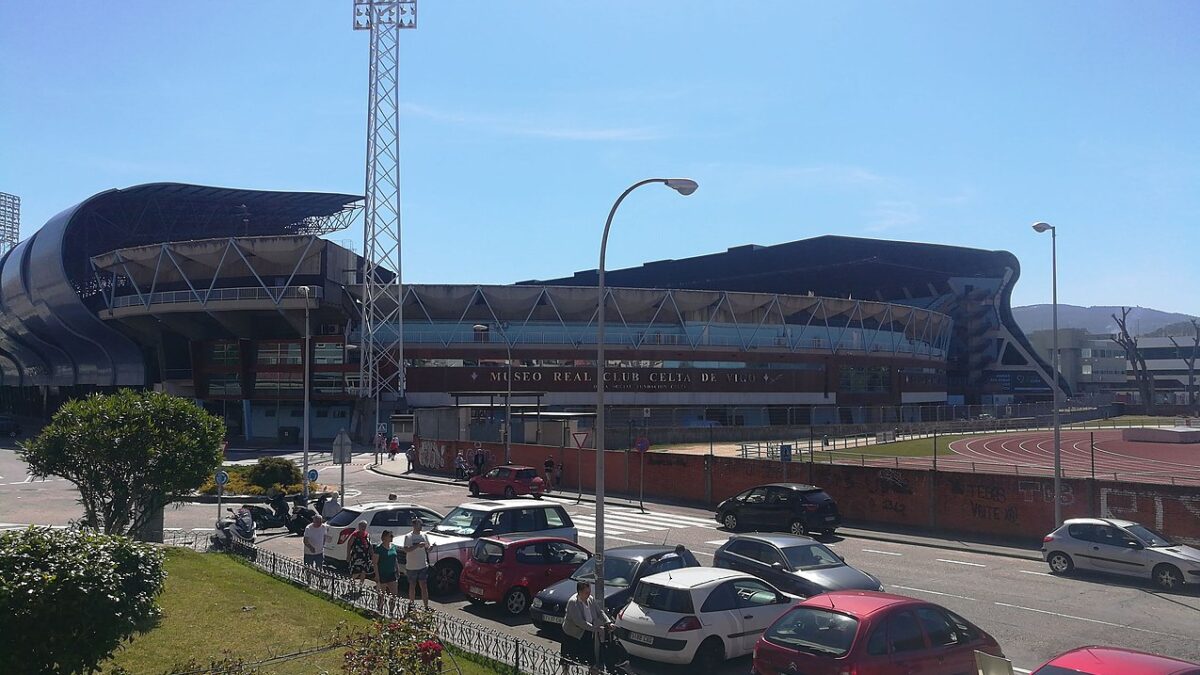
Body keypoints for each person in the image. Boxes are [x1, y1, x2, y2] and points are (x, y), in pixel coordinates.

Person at [562, 581, 616, 671]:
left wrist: (608, 622)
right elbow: (579, 622)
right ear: (579, 592)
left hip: (587, 631)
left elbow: (599, 612)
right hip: (572, 633)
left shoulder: (590, 599)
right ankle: (565, 672)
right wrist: (595, 629)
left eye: (589, 592)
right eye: (586, 592)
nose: (588, 594)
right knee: (567, 658)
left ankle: (592, 670)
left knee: (591, 659)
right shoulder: (573, 602)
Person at [402, 517, 431, 610]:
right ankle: (411, 604)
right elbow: (406, 549)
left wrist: (431, 547)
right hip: (412, 566)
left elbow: (428, 548)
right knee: (412, 585)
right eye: (419, 525)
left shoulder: (424, 535)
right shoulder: (409, 536)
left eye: (421, 525)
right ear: (414, 526)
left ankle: (426, 606)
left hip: (423, 565)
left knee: (424, 585)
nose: (420, 527)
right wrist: (417, 545)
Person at [372, 529, 401, 612]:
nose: (392, 537)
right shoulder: (379, 548)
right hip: (382, 574)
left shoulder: (393, 547)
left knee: (394, 594)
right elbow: (375, 563)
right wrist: (377, 575)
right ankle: (379, 609)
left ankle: (391, 611)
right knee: (381, 594)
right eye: (390, 536)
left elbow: (395, 559)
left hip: (392, 574)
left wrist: (397, 569)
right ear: (385, 537)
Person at [346, 520, 375, 594]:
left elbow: (370, 545)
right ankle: (351, 583)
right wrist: (348, 555)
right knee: (356, 572)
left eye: (364, 526)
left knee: (363, 572)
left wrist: (372, 555)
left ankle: (361, 586)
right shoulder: (355, 535)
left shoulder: (367, 535)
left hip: (365, 557)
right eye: (362, 526)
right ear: (359, 527)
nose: (363, 528)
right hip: (357, 556)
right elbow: (349, 545)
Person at [302, 514, 327, 579]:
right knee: (308, 567)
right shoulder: (309, 528)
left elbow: (324, 536)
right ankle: (308, 580)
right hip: (309, 553)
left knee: (319, 568)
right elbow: (305, 540)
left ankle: (320, 581)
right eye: (318, 522)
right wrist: (311, 547)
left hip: (319, 552)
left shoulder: (323, 527)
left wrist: (323, 544)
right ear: (314, 521)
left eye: (320, 522)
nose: (319, 524)